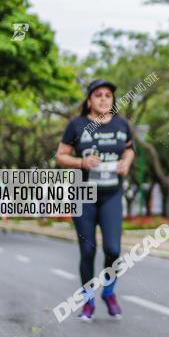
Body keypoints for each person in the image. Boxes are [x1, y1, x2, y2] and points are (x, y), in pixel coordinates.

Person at [56, 79, 135, 321]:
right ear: (89, 100)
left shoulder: (122, 125)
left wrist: (126, 163)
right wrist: (81, 162)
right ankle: (88, 300)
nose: (103, 99)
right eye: (98, 95)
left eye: (108, 95)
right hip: (84, 196)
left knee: (113, 249)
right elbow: (60, 156)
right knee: (88, 251)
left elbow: (130, 149)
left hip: (111, 194)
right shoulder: (76, 125)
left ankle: (109, 293)